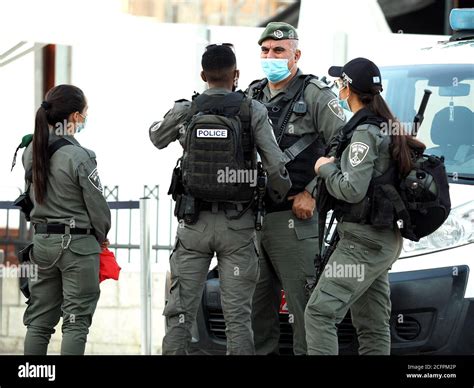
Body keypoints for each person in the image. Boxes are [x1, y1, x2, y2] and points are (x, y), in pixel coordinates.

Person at [150, 44, 291, 355]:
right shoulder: (252, 110)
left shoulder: (188, 109)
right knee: (238, 318)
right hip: (238, 228)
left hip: (193, 226)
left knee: (180, 314)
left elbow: (156, 137)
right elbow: (276, 167)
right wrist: (276, 198)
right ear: (236, 75)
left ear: (203, 75)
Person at [305, 57, 426, 355]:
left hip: (362, 243)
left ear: (348, 88)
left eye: (339, 83)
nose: (336, 88)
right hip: (381, 241)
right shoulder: (384, 126)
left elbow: (351, 189)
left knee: (319, 314)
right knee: (372, 325)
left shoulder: (363, 133)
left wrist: (324, 168)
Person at [247, 22, 345, 355]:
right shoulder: (252, 94)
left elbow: (343, 145)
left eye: (278, 50)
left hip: (296, 218)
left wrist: (314, 192)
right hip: (254, 220)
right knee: (256, 313)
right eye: (265, 50)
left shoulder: (316, 94)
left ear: (296, 54)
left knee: (306, 314)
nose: (270, 56)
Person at [21, 84, 111, 355]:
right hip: (77, 247)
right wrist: (102, 234)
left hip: (42, 244)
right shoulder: (80, 156)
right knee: (75, 322)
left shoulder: (30, 151)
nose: (85, 118)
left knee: (38, 323)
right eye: (84, 113)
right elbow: (98, 208)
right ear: (74, 117)